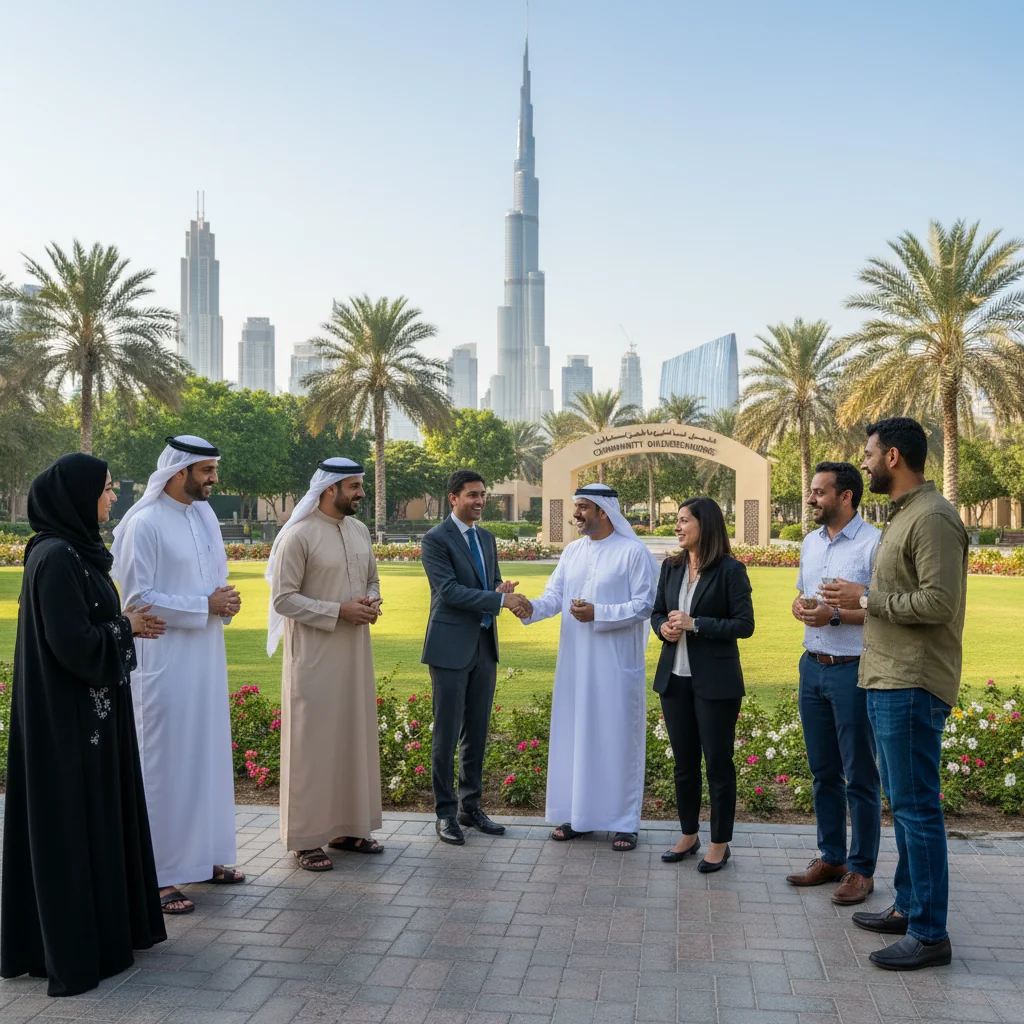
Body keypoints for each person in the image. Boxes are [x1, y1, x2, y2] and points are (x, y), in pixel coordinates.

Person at [1, 455, 167, 996]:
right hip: (66, 725)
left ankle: (108, 934)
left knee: (97, 821)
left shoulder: (80, 553)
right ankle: (68, 950)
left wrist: (122, 627)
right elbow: (70, 643)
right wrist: (127, 626)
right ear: (75, 496)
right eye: (105, 489)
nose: (112, 498)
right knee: (71, 826)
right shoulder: (54, 559)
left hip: (92, 718)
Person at [822, 418, 967, 971]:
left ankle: (930, 934)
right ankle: (908, 907)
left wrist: (869, 595)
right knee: (904, 809)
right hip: (887, 678)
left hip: (912, 681)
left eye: (869, 453)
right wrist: (851, 604)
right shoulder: (905, 516)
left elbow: (938, 604)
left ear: (895, 458)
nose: (863, 462)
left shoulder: (931, 519)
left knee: (915, 809)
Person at [111, 435, 244, 914]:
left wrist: (223, 603)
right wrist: (203, 606)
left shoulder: (205, 516)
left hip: (206, 656)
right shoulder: (142, 524)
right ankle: (160, 874)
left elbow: (214, 582)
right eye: (206, 470)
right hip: (162, 661)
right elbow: (135, 601)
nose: (213, 479)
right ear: (178, 472)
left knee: (205, 757)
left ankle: (206, 859)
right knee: (164, 766)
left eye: (213, 469)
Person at [521, 483, 658, 852]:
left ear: (603, 511)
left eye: (583, 507)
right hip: (576, 664)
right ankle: (577, 816)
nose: (576, 514)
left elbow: (646, 605)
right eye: (576, 507)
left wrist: (600, 613)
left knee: (616, 738)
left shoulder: (633, 552)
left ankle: (624, 822)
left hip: (616, 664)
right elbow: (555, 597)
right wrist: (529, 608)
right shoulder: (572, 551)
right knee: (576, 736)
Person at [266, 458, 384, 870]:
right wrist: (339, 611)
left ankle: (348, 828)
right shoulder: (298, 535)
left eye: (360, 486)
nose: (361, 494)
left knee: (351, 737)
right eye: (353, 487)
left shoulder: (359, 530)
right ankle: (306, 838)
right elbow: (282, 598)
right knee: (312, 744)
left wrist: (371, 600)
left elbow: (372, 578)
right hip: (314, 656)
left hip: (354, 652)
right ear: (330, 489)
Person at [785, 463, 881, 904]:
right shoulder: (810, 543)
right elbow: (805, 592)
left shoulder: (873, 544)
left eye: (819, 492)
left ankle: (861, 870)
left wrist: (837, 614)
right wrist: (800, 608)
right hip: (813, 666)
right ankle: (831, 857)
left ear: (846, 497)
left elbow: (883, 610)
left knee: (859, 773)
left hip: (853, 670)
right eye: (811, 491)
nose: (811, 499)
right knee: (823, 772)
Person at [421, 470, 532, 845]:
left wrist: (500, 590)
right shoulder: (435, 540)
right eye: (472, 495)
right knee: (447, 733)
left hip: (485, 647)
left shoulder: (486, 538)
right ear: (453, 498)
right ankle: (445, 813)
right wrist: (500, 599)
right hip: (450, 648)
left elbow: (488, 585)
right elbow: (449, 592)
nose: (480, 501)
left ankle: (471, 807)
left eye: (483, 495)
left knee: (478, 732)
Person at [650, 496, 754, 872]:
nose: (677, 527)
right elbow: (658, 610)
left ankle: (720, 843)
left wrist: (698, 624)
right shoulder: (671, 567)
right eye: (676, 521)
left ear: (704, 525)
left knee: (718, 765)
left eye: (683, 521)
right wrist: (662, 627)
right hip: (674, 681)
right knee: (684, 764)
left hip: (716, 684)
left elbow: (745, 625)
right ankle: (689, 834)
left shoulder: (730, 570)